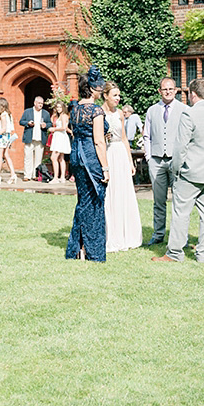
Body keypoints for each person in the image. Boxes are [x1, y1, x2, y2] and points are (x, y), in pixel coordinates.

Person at [152, 79, 204, 264]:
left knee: (181, 213)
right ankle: (203, 255)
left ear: (193, 94)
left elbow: (179, 148)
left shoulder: (189, 114)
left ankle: (175, 253)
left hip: (190, 173)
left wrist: (176, 170)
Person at [66, 66, 109, 262]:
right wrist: (106, 168)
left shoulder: (75, 110)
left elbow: (74, 133)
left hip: (75, 156)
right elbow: (99, 141)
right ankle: (93, 251)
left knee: (83, 201)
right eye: (98, 87)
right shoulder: (96, 110)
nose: (101, 90)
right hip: (91, 159)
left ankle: (78, 248)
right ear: (91, 89)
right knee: (95, 202)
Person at [142, 77, 190, 245]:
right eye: (165, 89)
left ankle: (179, 237)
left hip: (176, 161)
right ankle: (158, 234)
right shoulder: (152, 110)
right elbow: (146, 135)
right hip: (156, 161)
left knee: (180, 200)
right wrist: (148, 157)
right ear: (159, 91)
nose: (168, 92)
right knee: (158, 200)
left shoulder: (185, 110)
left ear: (176, 90)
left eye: (171, 89)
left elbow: (189, 137)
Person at [102, 82, 142, 253]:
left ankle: (127, 234)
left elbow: (125, 138)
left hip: (120, 153)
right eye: (115, 95)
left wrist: (130, 160)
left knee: (124, 192)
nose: (118, 99)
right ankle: (111, 234)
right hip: (107, 153)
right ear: (105, 96)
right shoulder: (99, 113)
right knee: (110, 193)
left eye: (119, 95)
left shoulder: (120, 114)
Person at [19, 96, 52, 181]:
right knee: (28, 157)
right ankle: (27, 175)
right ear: (35, 103)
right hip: (30, 137)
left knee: (38, 158)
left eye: (42, 103)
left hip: (40, 138)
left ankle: (36, 175)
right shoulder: (27, 111)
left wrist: (46, 125)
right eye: (39, 103)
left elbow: (50, 123)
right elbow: (21, 121)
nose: (41, 105)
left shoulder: (45, 113)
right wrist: (28, 123)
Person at [0, 97, 17, 184]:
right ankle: (13, 174)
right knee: (6, 155)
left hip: (2, 136)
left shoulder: (3, 115)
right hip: (7, 136)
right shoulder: (8, 114)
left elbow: (3, 128)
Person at [48, 100, 71, 183]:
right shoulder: (59, 116)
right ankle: (62, 177)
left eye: (60, 107)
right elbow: (66, 128)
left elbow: (64, 127)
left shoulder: (64, 116)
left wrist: (54, 129)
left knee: (53, 157)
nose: (58, 109)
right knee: (61, 158)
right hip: (59, 136)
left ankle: (56, 177)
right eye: (57, 107)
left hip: (60, 137)